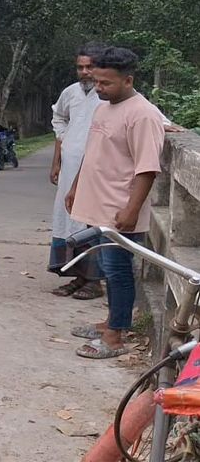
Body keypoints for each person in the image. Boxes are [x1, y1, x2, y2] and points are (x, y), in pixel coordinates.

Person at [66, 46, 165, 359]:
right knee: (109, 269)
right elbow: (93, 152)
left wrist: (131, 210)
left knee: (119, 270)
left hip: (119, 208)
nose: (99, 88)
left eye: (106, 83)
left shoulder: (142, 114)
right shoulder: (104, 107)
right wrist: (75, 186)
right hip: (98, 203)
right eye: (97, 82)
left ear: (128, 80)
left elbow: (147, 169)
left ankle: (114, 337)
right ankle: (111, 321)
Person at [48, 45, 105, 299]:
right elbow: (58, 117)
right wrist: (58, 159)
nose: (85, 72)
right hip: (70, 170)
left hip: (97, 171)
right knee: (68, 220)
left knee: (90, 221)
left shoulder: (108, 94)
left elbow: (143, 112)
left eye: (89, 66)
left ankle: (94, 281)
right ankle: (75, 276)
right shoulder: (70, 93)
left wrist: (166, 125)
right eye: (80, 67)